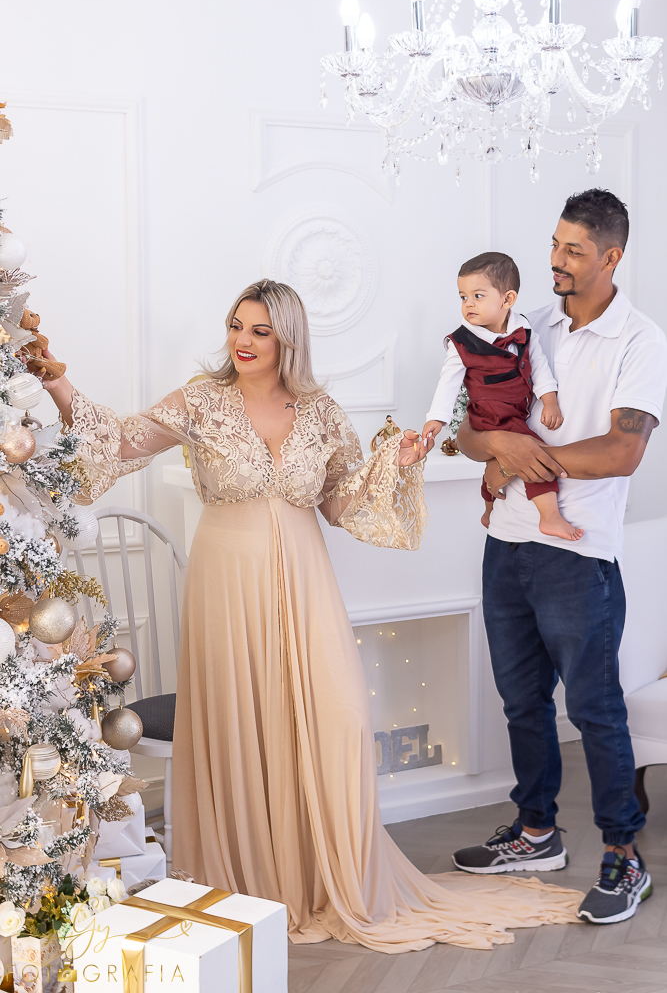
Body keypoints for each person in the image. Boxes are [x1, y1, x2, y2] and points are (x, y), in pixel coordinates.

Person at [43, 279, 581, 952]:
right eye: (237, 326)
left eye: (260, 331)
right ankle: (249, 883)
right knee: (242, 721)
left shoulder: (321, 411)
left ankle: (328, 874)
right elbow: (118, 443)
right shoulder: (202, 399)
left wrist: (395, 460)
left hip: (304, 580)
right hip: (225, 581)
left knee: (339, 717)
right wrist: (56, 380)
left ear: (288, 339)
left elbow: (344, 502)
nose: (242, 340)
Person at [452, 190, 667, 925]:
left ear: (611, 257)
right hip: (504, 546)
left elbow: (621, 450)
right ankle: (536, 832)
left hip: (577, 558)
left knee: (596, 710)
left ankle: (622, 856)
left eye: (573, 250)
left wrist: (524, 453)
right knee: (520, 703)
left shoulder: (639, 340)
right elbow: (467, 428)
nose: (554, 261)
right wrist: (495, 446)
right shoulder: (525, 323)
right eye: (553, 244)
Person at [423, 252, 583, 541]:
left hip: (515, 410)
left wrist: (550, 401)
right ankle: (550, 517)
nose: (468, 304)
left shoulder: (524, 330)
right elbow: (448, 383)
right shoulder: (462, 342)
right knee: (535, 456)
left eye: (478, 295)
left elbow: (540, 369)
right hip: (489, 414)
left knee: (497, 465)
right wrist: (436, 420)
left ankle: (488, 509)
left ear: (508, 299)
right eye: (462, 297)